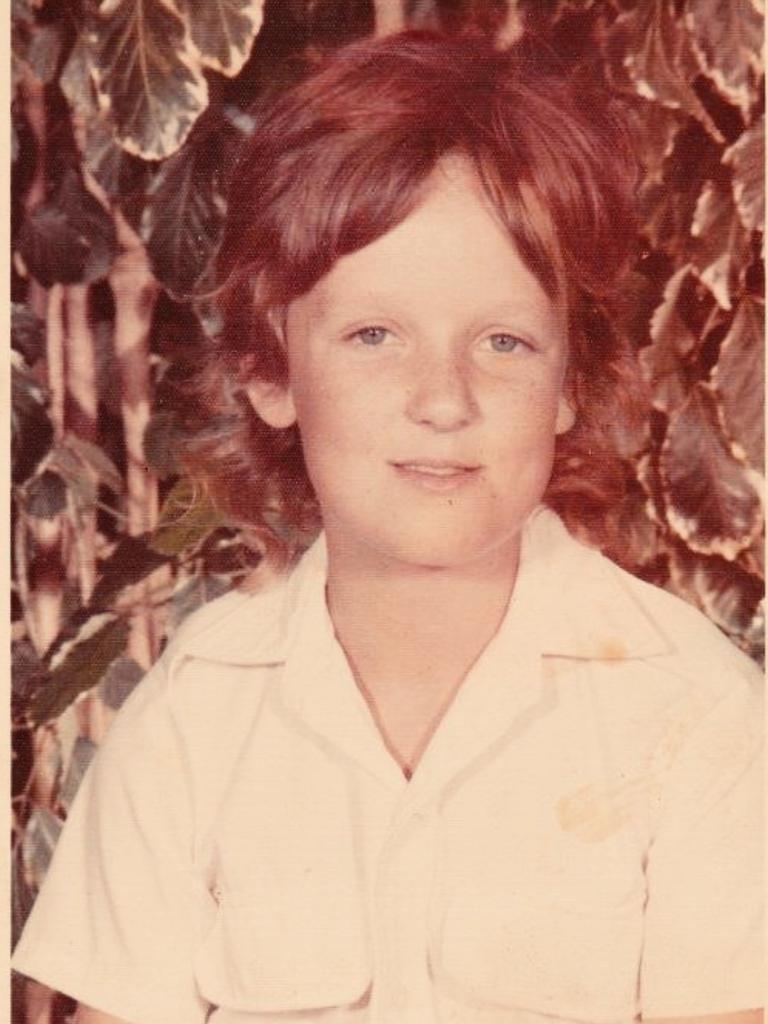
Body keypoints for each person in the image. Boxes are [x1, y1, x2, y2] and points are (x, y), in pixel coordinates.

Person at [12, 30, 763, 1024]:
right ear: (271, 371)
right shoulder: (194, 718)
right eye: (375, 335)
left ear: (571, 382)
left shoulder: (694, 712)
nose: (443, 400)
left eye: (503, 340)